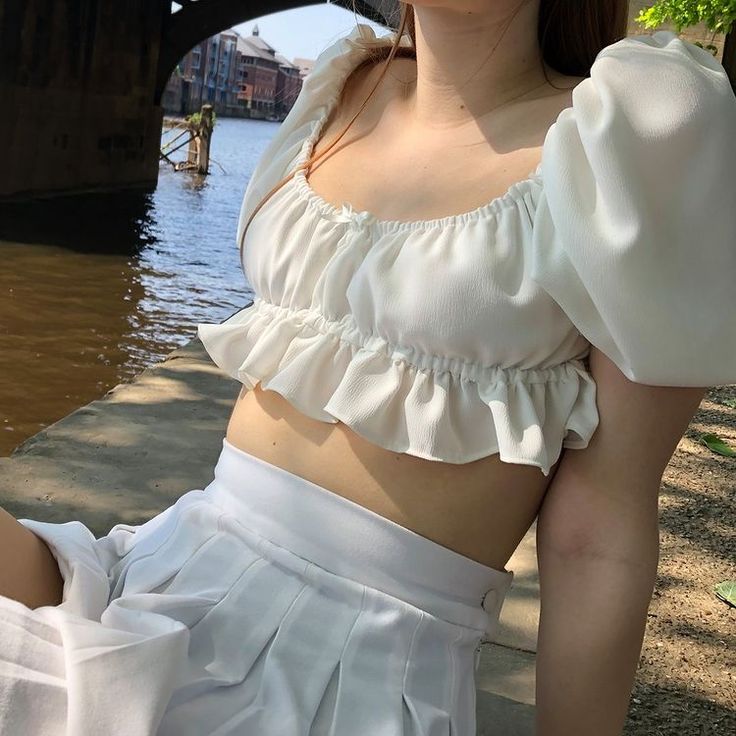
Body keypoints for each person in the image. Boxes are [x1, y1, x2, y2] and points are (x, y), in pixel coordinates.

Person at [1, 1, 735, 734]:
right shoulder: (342, 83)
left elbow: (599, 530)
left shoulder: (637, 133)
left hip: (345, 681)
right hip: (160, 572)